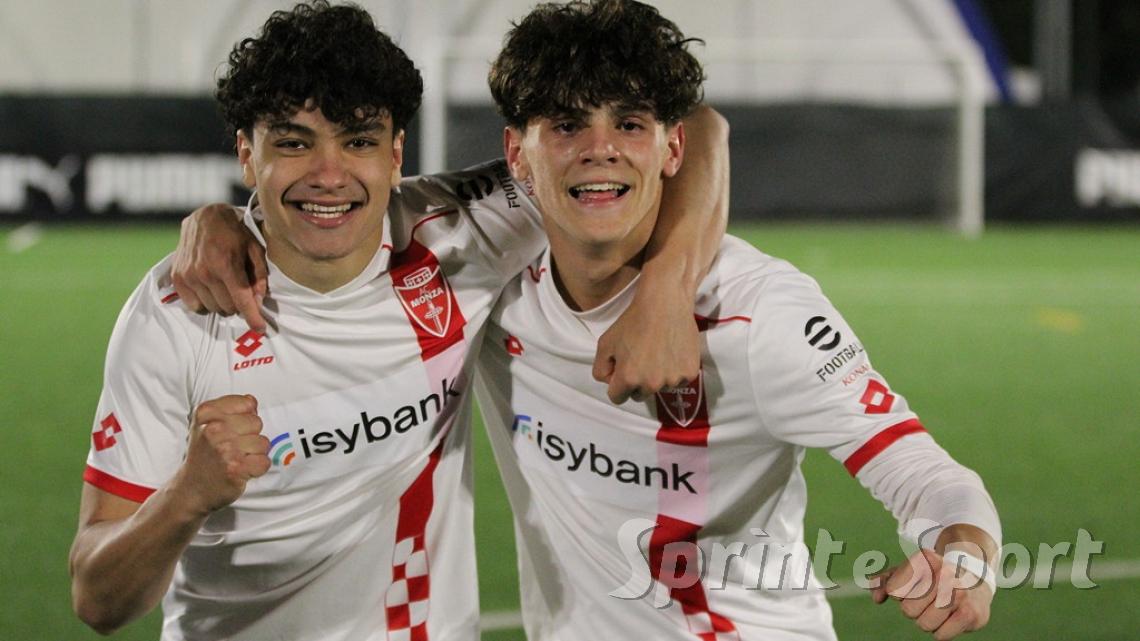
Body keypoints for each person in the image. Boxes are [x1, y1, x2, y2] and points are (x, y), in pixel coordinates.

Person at [68, 2, 726, 640]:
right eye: (294, 144)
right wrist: (186, 495)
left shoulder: (459, 229)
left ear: (395, 153)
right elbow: (97, 599)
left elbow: (697, 128)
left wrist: (666, 292)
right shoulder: (177, 317)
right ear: (247, 154)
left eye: (358, 141)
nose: (329, 175)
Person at [473, 1, 1002, 640]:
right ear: (516, 153)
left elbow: (929, 477)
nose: (601, 149)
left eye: (630, 124)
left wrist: (965, 561)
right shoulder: (485, 280)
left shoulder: (759, 313)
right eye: (566, 125)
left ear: (672, 148)